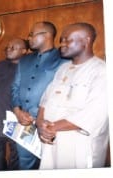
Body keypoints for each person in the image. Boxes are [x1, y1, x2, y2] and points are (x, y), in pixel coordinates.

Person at [36, 22, 109, 169]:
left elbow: (94, 115)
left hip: (79, 147)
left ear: (86, 41)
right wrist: (39, 124)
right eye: (61, 40)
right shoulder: (63, 69)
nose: (62, 44)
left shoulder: (102, 71)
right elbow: (45, 101)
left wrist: (51, 127)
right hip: (51, 143)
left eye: (67, 39)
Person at [11, 21, 67, 169]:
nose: (28, 38)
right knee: (24, 162)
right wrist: (17, 111)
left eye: (32, 34)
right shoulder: (25, 60)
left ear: (47, 35)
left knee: (51, 164)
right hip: (25, 122)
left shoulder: (64, 59)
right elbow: (15, 88)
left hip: (50, 125)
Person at [0, 38, 28, 171]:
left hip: (17, 118)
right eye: (8, 47)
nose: (9, 49)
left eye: (13, 47)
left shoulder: (29, 67)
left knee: (16, 154)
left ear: (24, 50)